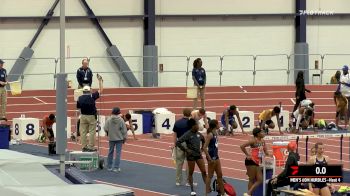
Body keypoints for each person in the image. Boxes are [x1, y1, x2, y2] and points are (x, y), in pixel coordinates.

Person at [176, 119, 207, 196]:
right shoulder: (187, 134)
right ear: (193, 126)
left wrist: (202, 148)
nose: (198, 126)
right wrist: (186, 150)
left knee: (204, 171)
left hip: (198, 155)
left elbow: (203, 140)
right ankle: (192, 190)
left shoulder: (199, 134)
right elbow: (178, 142)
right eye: (196, 124)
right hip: (191, 156)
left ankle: (207, 187)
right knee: (191, 173)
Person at [241, 128, 270, 196]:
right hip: (251, 161)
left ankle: (249, 193)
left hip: (257, 162)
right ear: (258, 134)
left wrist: (270, 155)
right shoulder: (253, 140)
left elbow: (266, 151)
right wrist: (247, 155)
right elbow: (242, 146)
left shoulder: (263, 141)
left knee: (260, 180)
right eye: (262, 132)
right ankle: (249, 194)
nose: (263, 133)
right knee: (252, 179)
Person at [77, 75, 103, 152]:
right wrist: (100, 81)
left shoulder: (80, 97)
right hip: (91, 116)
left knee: (83, 132)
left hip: (83, 116)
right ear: (89, 90)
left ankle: (84, 147)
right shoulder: (92, 96)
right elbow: (101, 90)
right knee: (92, 132)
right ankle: (90, 147)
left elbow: (78, 107)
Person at [203, 119, 225, 195]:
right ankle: (206, 193)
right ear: (215, 125)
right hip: (211, 156)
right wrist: (209, 158)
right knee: (210, 175)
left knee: (220, 175)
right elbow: (204, 147)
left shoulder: (215, 132)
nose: (219, 124)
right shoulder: (210, 135)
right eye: (218, 123)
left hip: (216, 156)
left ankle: (222, 193)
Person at [104, 107, 127, 172]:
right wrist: (125, 138)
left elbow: (105, 128)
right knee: (118, 153)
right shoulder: (121, 120)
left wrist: (109, 132)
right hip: (119, 139)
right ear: (119, 113)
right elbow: (124, 130)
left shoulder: (109, 119)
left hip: (111, 138)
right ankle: (116, 168)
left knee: (110, 152)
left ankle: (109, 166)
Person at [173, 108, 191, 186]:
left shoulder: (177, 122)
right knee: (189, 163)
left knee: (179, 163)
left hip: (179, 143)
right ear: (190, 114)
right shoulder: (191, 123)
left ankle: (178, 181)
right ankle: (188, 181)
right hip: (189, 144)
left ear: (183, 113)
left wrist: (175, 144)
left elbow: (174, 134)